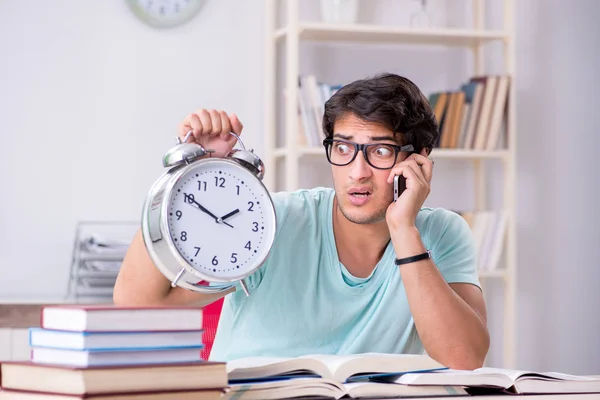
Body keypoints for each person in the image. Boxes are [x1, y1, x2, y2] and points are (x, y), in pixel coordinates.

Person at [114, 72, 490, 370]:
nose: (357, 172)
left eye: (380, 151)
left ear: (420, 158)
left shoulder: (441, 233)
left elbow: (464, 359)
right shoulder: (273, 220)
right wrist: (190, 171)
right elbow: (136, 303)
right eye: (342, 148)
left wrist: (404, 230)